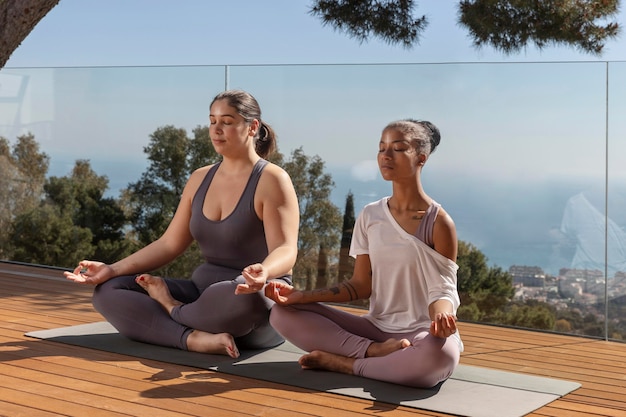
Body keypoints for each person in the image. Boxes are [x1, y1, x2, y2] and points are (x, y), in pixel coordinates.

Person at [64, 89, 300, 358]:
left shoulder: (272, 179)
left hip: (251, 299)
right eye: (212, 121)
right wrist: (111, 269)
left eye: (227, 121)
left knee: (243, 296)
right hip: (202, 295)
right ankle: (192, 338)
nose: (216, 129)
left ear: (252, 127)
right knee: (108, 292)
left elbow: (286, 251)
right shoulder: (200, 178)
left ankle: (170, 309)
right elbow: (168, 243)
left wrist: (264, 270)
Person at [265, 119, 463, 388]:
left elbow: (443, 289)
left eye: (399, 148)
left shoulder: (439, 222)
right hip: (377, 330)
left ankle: (346, 364)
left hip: (422, 332)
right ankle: (372, 353)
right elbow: (360, 285)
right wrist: (301, 296)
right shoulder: (371, 215)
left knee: (439, 357)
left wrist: (443, 316)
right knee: (281, 313)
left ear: (421, 158)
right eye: (382, 148)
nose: (386, 155)